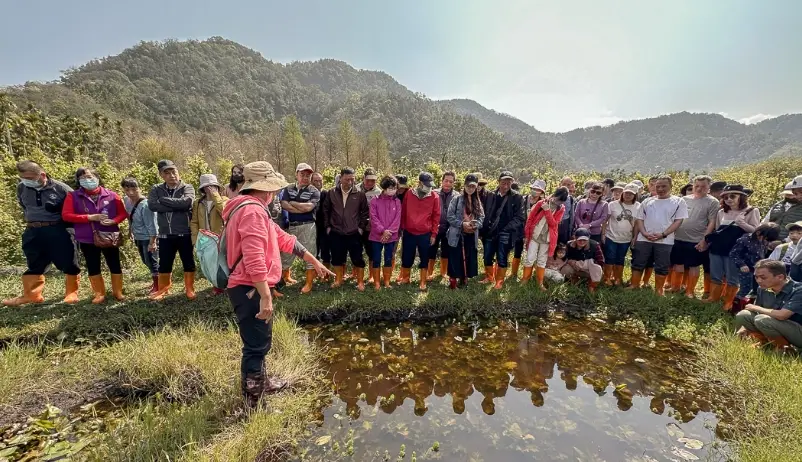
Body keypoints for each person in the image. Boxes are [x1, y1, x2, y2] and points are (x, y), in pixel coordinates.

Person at [223, 161, 332, 406]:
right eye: (272, 189)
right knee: (255, 345)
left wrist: (315, 261)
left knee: (261, 340)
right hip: (249, 288)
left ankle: (263, 382)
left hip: (250, 287)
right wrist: (265, 294)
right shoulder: (251, 212)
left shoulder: (254, 209)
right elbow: (253, 257)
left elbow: (284, 239)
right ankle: (254, 401)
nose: (274, 195)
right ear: (266, 189)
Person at [3, 161, 81, 307]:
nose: (26, 181)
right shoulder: (21, 188)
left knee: (69, 260)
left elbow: (76, 208)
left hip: (58, 229)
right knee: (34, 261)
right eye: (22, 177)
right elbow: (24, 206)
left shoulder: (61, 188)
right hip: (33, 230)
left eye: (29, 178)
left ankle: (71, 293)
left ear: (42, 175)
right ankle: (32, 295)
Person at [60, 167, 128, 304]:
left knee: (114, 263)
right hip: (87, 237)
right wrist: (90, 217)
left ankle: (118, 291)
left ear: (97, 178)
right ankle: (99, 294)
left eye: (90, 177)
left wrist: (114, 221)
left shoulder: (112, 195)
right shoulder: (73, 196)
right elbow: (66, 215)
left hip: (109, 236)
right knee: (93, 265)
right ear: (78, 181)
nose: (87, 180)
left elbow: (123, 213)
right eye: (83, 178)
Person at [629, 176, 688, 296]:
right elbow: (639, 219)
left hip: (665, 240)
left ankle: (659, 290)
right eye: (658, 186)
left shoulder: (678, 201)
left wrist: (663, 234)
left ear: (671, 187)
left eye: (664, 186)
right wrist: (644, 233)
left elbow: (678, 221)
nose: (660, 189)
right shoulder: (647, 201)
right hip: (644, 238)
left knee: (662, 265)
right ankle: (634, 285)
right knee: (638, 262)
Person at [705, 185, 761, 309]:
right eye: (725, 197)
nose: (729, 199)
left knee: (732, 277)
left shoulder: (751, 211)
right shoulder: (721, 211)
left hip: (736, 251)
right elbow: (719, 229)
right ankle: (713, 297)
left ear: (741, 197)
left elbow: (755, 232)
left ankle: (729, 301)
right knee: (716, 274)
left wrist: (741, 222)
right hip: (717, 248)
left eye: (732, 196)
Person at [148, 160, 197, 301]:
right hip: (164, 233)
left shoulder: (187, 187)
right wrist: (177, 206)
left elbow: (187, 202)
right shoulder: (156, 189)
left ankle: (189, 288)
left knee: (188, 261)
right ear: (161, 175)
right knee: (164, 262)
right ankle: (163, 289)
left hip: (184, 232)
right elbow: (152, 205)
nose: (171, 175)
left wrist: (163, 200)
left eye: (173, 172)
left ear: (178, 172)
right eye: (167, 173)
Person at [668, 176, 719, 298]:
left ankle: (689, 291)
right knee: (678, 264)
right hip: (678, 237)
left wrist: (704, 239)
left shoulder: (712, 202)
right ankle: (675, 287)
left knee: (694, 266)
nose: (699, 189)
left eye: (703, 187)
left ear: (708, 187)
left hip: (696, 239)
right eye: (697, 186)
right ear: (693, 185)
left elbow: (712, 222)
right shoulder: (684, 199)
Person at [733, 259, 802, 351]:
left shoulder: (798, 290)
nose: (758, 280)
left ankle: (785, 349)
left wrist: (755, 307)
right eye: (756, 277)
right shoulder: (762, 288)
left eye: (763, 277)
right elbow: (756, 311)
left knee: (762, 320)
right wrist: (745, 328)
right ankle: (766, 343)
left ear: (780, 277)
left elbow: (783, 315)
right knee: (743, 315)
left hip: (798, 331)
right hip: (777, 325)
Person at [322, 167, 369, 290]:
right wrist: (327, 226)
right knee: (337, 258)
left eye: (352, 179)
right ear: (340, 178)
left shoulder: (359, 194)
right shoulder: (331, 193)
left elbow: (365, 213)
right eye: (347, 179)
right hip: (336, 232)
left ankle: (360, 282)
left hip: (354, 232)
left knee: (358, 258)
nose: (350, 182)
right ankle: (338, 280)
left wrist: (361, 228)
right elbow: (326, 210)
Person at [480, 171, 526, 289]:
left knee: (502, 256)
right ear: (498, 182)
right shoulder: (490, 195)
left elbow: (520, 217)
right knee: (487, 255)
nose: (506, 186)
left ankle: (499, 281)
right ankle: (489, 277)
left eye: (508, 183)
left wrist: (507, 228)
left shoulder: (517, 197)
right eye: (503, 183)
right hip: (490, 231)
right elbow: (485, 212)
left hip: (506, 232)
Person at [280, 163, 321, 294]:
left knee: (310, 252)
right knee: (286, 252)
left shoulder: (314, 191)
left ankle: (308, 283)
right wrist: (298, 208)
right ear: (296, 174)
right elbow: (284, 204)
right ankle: (285, 277)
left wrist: (293, 203)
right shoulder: (288, 188)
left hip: (308, 226)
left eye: (308, 175)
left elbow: (309, 207)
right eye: (302, 175)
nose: (305, 177)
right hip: (292, 226)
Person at [399, 172, 441, 291]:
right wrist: (402, 227)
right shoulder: (409, 194)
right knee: (407, 256)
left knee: (425, 257)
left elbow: (436, 217)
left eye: (430, 185)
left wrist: (434, 234)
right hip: (409, 231)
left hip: (425, 233)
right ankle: (405, 278)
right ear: (420, 183)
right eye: (426, 185)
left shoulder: (434, 197)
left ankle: (423, 281)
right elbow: (403, 211)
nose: (428, 187)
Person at [522, 187, 568, 289]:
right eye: (557, 198)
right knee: (530, 258)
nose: (557, 202)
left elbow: (553, 224)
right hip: (535, 236)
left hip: (547, 239)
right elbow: (530, 219)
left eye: (560, 201)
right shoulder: (541, 203)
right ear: (554, 195)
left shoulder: (561, 209)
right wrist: (526, 235)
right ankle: (525, 280)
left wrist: (547, 210)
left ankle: (540, 282)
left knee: (542, 261)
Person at [121, 177, 159, 295]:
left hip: (148, 237)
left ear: (139, 188)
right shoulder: (126, 200)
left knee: (152, 260)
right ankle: (156, 281)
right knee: (144, 260)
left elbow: (152, 225)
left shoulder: (146, 205)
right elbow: (129, 217)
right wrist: (130, 230)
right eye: (127, 190)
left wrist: (153, 242)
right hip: (138, 236)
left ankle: (158, 285)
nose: (131, 193)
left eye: (134, 189)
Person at [446, 173, 485, 289]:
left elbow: (482, 217)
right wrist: (462, 224)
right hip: (457, 234)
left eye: (473, 186)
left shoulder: (477, 201)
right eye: (468, 186)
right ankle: (453, 282)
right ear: (464, 185)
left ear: (476, 187)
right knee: (455, 257)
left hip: (471, 234)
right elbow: (450, 216)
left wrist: (475, 224)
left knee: (468, 256)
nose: (470, 188)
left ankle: (464, 279)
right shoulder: (456, 199)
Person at [602, 183, 640, 286]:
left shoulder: (638, 206)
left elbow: (637, 224)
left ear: (635, 195)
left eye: (631, 194)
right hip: (611, 236)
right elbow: (605, 220)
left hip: (626, 238)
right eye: (626, 193)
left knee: (620, 257)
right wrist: (603, 234)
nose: (628, 195)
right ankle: (607, 278)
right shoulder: (612, 204)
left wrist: (634, 237)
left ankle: (618, 278)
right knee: (610, 256)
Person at [730, 223, 781, 301]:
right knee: (746, 288)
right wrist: (742, 264)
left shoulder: (764, 241)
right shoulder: (744, 240)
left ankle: (750, 304)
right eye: (764, 238)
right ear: (758, 232)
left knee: (756, 288)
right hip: (745, 269)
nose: (765, 240)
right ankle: (735, 307)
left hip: (757, 269)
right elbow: (733, 254)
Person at [369, 176, 401, 290]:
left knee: (388, 258)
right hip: (376, 236)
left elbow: (397, 219)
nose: (393, 190)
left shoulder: (397, 202)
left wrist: (389, 232)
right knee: (376, 258)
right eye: (390, 188)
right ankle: (377, 282)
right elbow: (373, 218)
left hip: (391, 237)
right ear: (384, 187)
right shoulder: (375, 200)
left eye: (394, 188)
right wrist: (383, 231)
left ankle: (387, 281)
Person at [428, 171, 456, 281]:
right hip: (434, 227)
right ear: (442, 181)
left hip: (449, 228)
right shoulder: (433, 193)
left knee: (446, 250)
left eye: (450, 181)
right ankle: (429, 272)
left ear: (454, 183)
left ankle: (443, 272)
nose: (448, 183)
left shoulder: (457, 196)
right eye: (446, 181)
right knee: (431, 249)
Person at [356, 168, 382, 282]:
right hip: (356, 226)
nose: (370, 183)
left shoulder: (379, 192)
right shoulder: (355, 189)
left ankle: (372, 275)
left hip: (371, 228)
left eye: (373, 181)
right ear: (363, 178)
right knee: (356, 250)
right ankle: (356, 273)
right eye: (368, 180)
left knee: (371, 251)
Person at [560, 228, 604, 292]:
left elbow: (601, 261)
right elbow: (564, 257)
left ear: (588, 238)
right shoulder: (569, 245)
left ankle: (592, 285)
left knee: (597, 268)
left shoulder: (595, 245)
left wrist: (587, 263)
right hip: (574, 267)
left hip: (588, 268)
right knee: (565, 270)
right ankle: (574, 280)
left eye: (584, 240)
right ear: (575, 238)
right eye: (579, 240)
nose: (582, 242)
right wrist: (571, 262)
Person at [191, 174, 228, 246]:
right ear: (203, 188)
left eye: (213, 186)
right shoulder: (198, 203)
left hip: (220, 239)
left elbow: (224, 213)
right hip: (203, 240)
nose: (210, 188)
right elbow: (194, 222)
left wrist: (215, 196)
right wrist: (195, 240)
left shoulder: (225, 200)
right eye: (207, 186)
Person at [763, 175, 802, 241]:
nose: (795, 196)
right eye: (794, 193)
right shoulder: (777, 205)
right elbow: (765, 222)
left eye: (799, 193)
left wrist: (783, 242)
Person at [312, 172, 331, 278]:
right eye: (316, 180)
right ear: (311, 181)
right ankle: (315, 273)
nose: (319, 182)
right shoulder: (309, 194)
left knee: (325, 250)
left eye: (320, 180)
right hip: (311, 226)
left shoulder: (326, 193)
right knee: (314, 251)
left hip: (324, 227)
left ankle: (326, 274)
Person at [557, 176, 577, 244]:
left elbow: (572, 215)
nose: (566, 186)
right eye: (564, 184)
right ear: (560, 184)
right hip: (553, 225)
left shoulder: (570, 199)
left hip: (565, 225)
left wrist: (571, 230)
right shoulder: (553, 197)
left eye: (568, 185)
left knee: (562, 248)